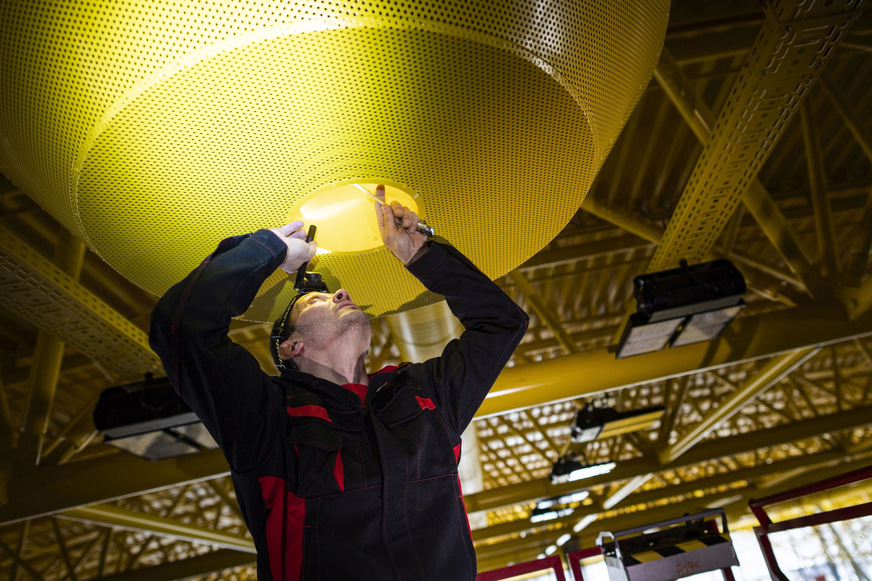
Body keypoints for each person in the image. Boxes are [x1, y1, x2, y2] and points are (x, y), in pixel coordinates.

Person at [149, 185, 528, 580]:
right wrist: (269, 250)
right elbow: (181, 327)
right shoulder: (267, 418)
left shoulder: (421, 395)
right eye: (316, 301)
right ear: (291, 347)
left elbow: (503, 324)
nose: (342, 293)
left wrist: (423, 256)